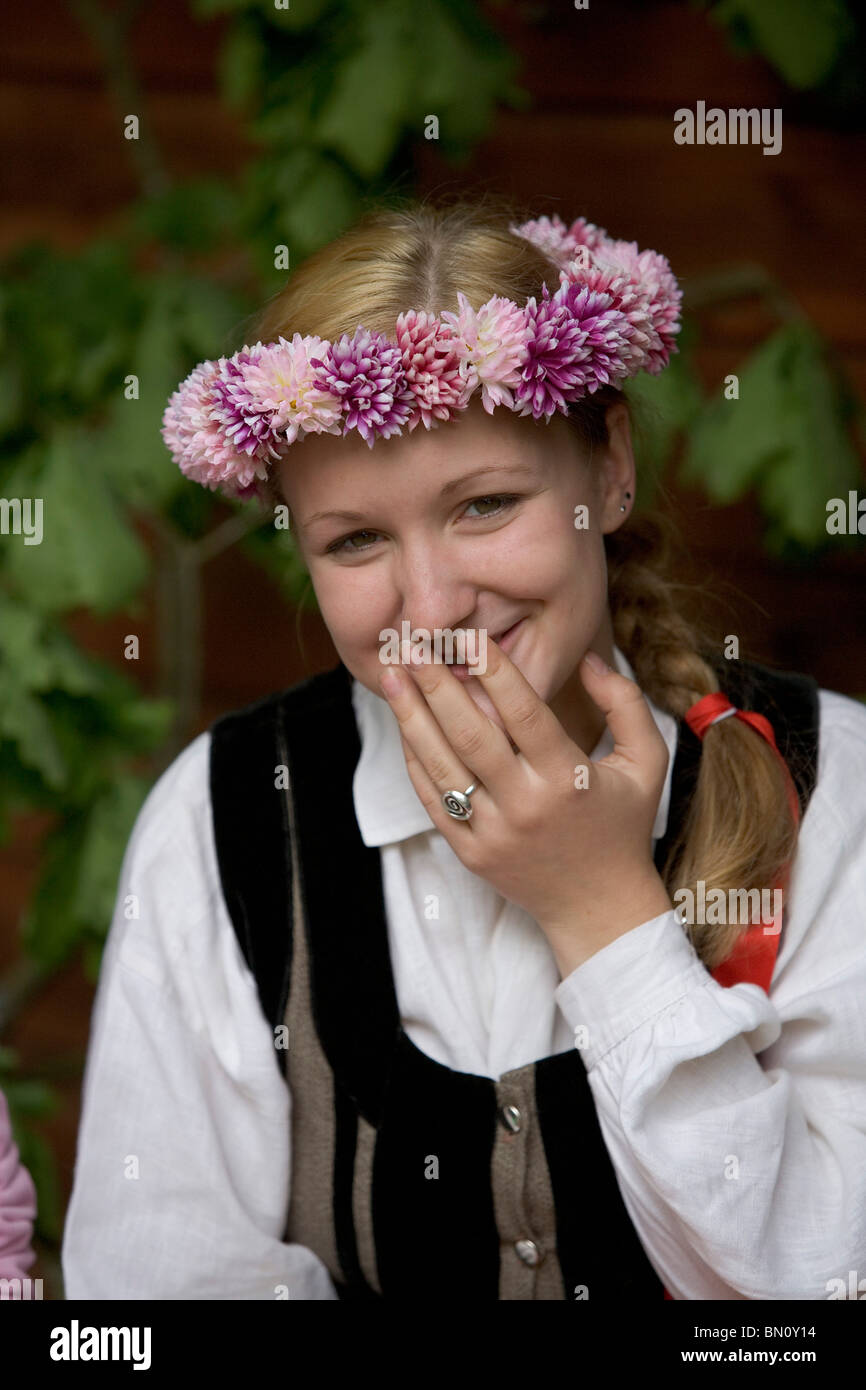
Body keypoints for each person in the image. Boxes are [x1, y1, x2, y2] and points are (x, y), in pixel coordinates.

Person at [62, 199, 866, 1300]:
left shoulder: (830, 791)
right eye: (354, 540)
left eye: (484, 505)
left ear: (609, 468)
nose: (431, 603)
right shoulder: (225, 817)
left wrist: (600, 912)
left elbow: (820, 1291)